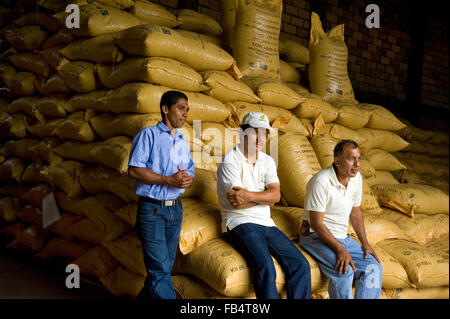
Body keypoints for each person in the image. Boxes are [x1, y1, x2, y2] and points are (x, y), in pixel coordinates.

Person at [216, 112, 311, 299]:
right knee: (266, 266)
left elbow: (275, 196)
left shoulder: (267, 161)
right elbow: (237, 203)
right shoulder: (230, 161)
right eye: (255, 132)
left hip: (267, 224)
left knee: (301, 265)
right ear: (243, 133)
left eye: (264, 133)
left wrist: (249, 195)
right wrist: (264, 198)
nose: (260, 138)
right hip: (239, 223)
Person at [127, 90, 195, 299]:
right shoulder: (149, 135)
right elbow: (134, 170)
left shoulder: (183, 141)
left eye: (187, 110)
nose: (185, 114)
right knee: (158, 270)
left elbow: (190, 171)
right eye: (180, 108)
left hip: (175, 210)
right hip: (152, 209)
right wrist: (168, 180)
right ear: (165, 109)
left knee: (162, 269)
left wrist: (187, 179)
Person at [299, 139, 383, 299]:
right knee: (345, 270)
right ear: (337, 161)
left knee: (373, 266)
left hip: (343, 237)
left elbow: (356, 212)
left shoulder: (356, 179)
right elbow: (316, 223)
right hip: (314, 236)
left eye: (359, 159)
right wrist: (340, 249)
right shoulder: (321, 181)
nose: (357, 164)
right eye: (351, 159)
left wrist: (365, 244)